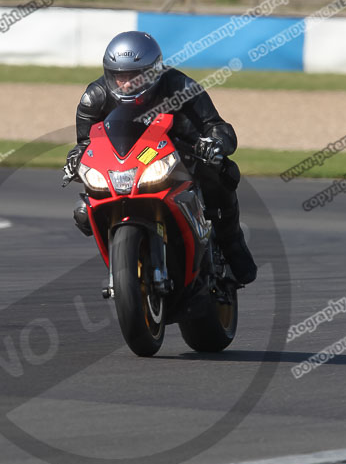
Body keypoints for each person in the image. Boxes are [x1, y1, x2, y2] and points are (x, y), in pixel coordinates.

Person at [64, 31, 257, 285]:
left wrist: (214, 144)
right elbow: (87, 143)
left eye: (134, 77)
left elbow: (216, 126)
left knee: (222, 173)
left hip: (179, 154)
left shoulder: (181, 87)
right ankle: (125, 269)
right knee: (83, 210)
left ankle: (233, 246)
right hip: (125, 164)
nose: (126, 84)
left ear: (154, 72)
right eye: (119, 76)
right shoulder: (95, 97)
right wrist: (76, 157)